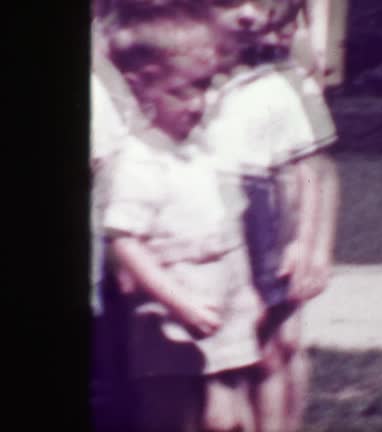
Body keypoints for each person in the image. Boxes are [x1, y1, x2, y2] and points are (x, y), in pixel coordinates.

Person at [102, 10, 268, 431]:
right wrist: (179, 302)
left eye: (205, 86)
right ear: (142, 88)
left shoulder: (199, 150)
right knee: (174, 414)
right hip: (171, 310)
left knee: (231, 413)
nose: (198, 103)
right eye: (181, 91)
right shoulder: (140, 160)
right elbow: (124, 241)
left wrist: (245, 291)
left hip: (223, 300)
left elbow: (225, 226)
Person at [201, 1, 340, 430]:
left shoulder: (285, 79)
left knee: (280, 343)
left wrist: (316, 247)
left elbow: (319, 170)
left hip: (274, 228)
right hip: (210, 231)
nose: (249, 15)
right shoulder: (181, 71)